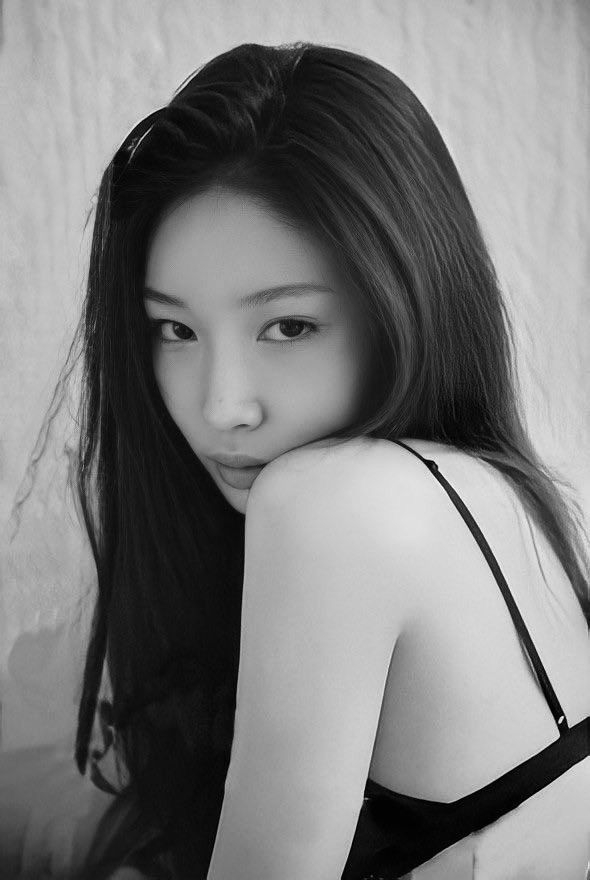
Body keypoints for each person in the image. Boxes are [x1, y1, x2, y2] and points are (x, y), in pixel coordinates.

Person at [4, 40, 590, 879]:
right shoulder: (502, 493)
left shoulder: (328, 503)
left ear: (405, 302)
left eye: (288, 327)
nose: (221, 406)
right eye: (175, 329)